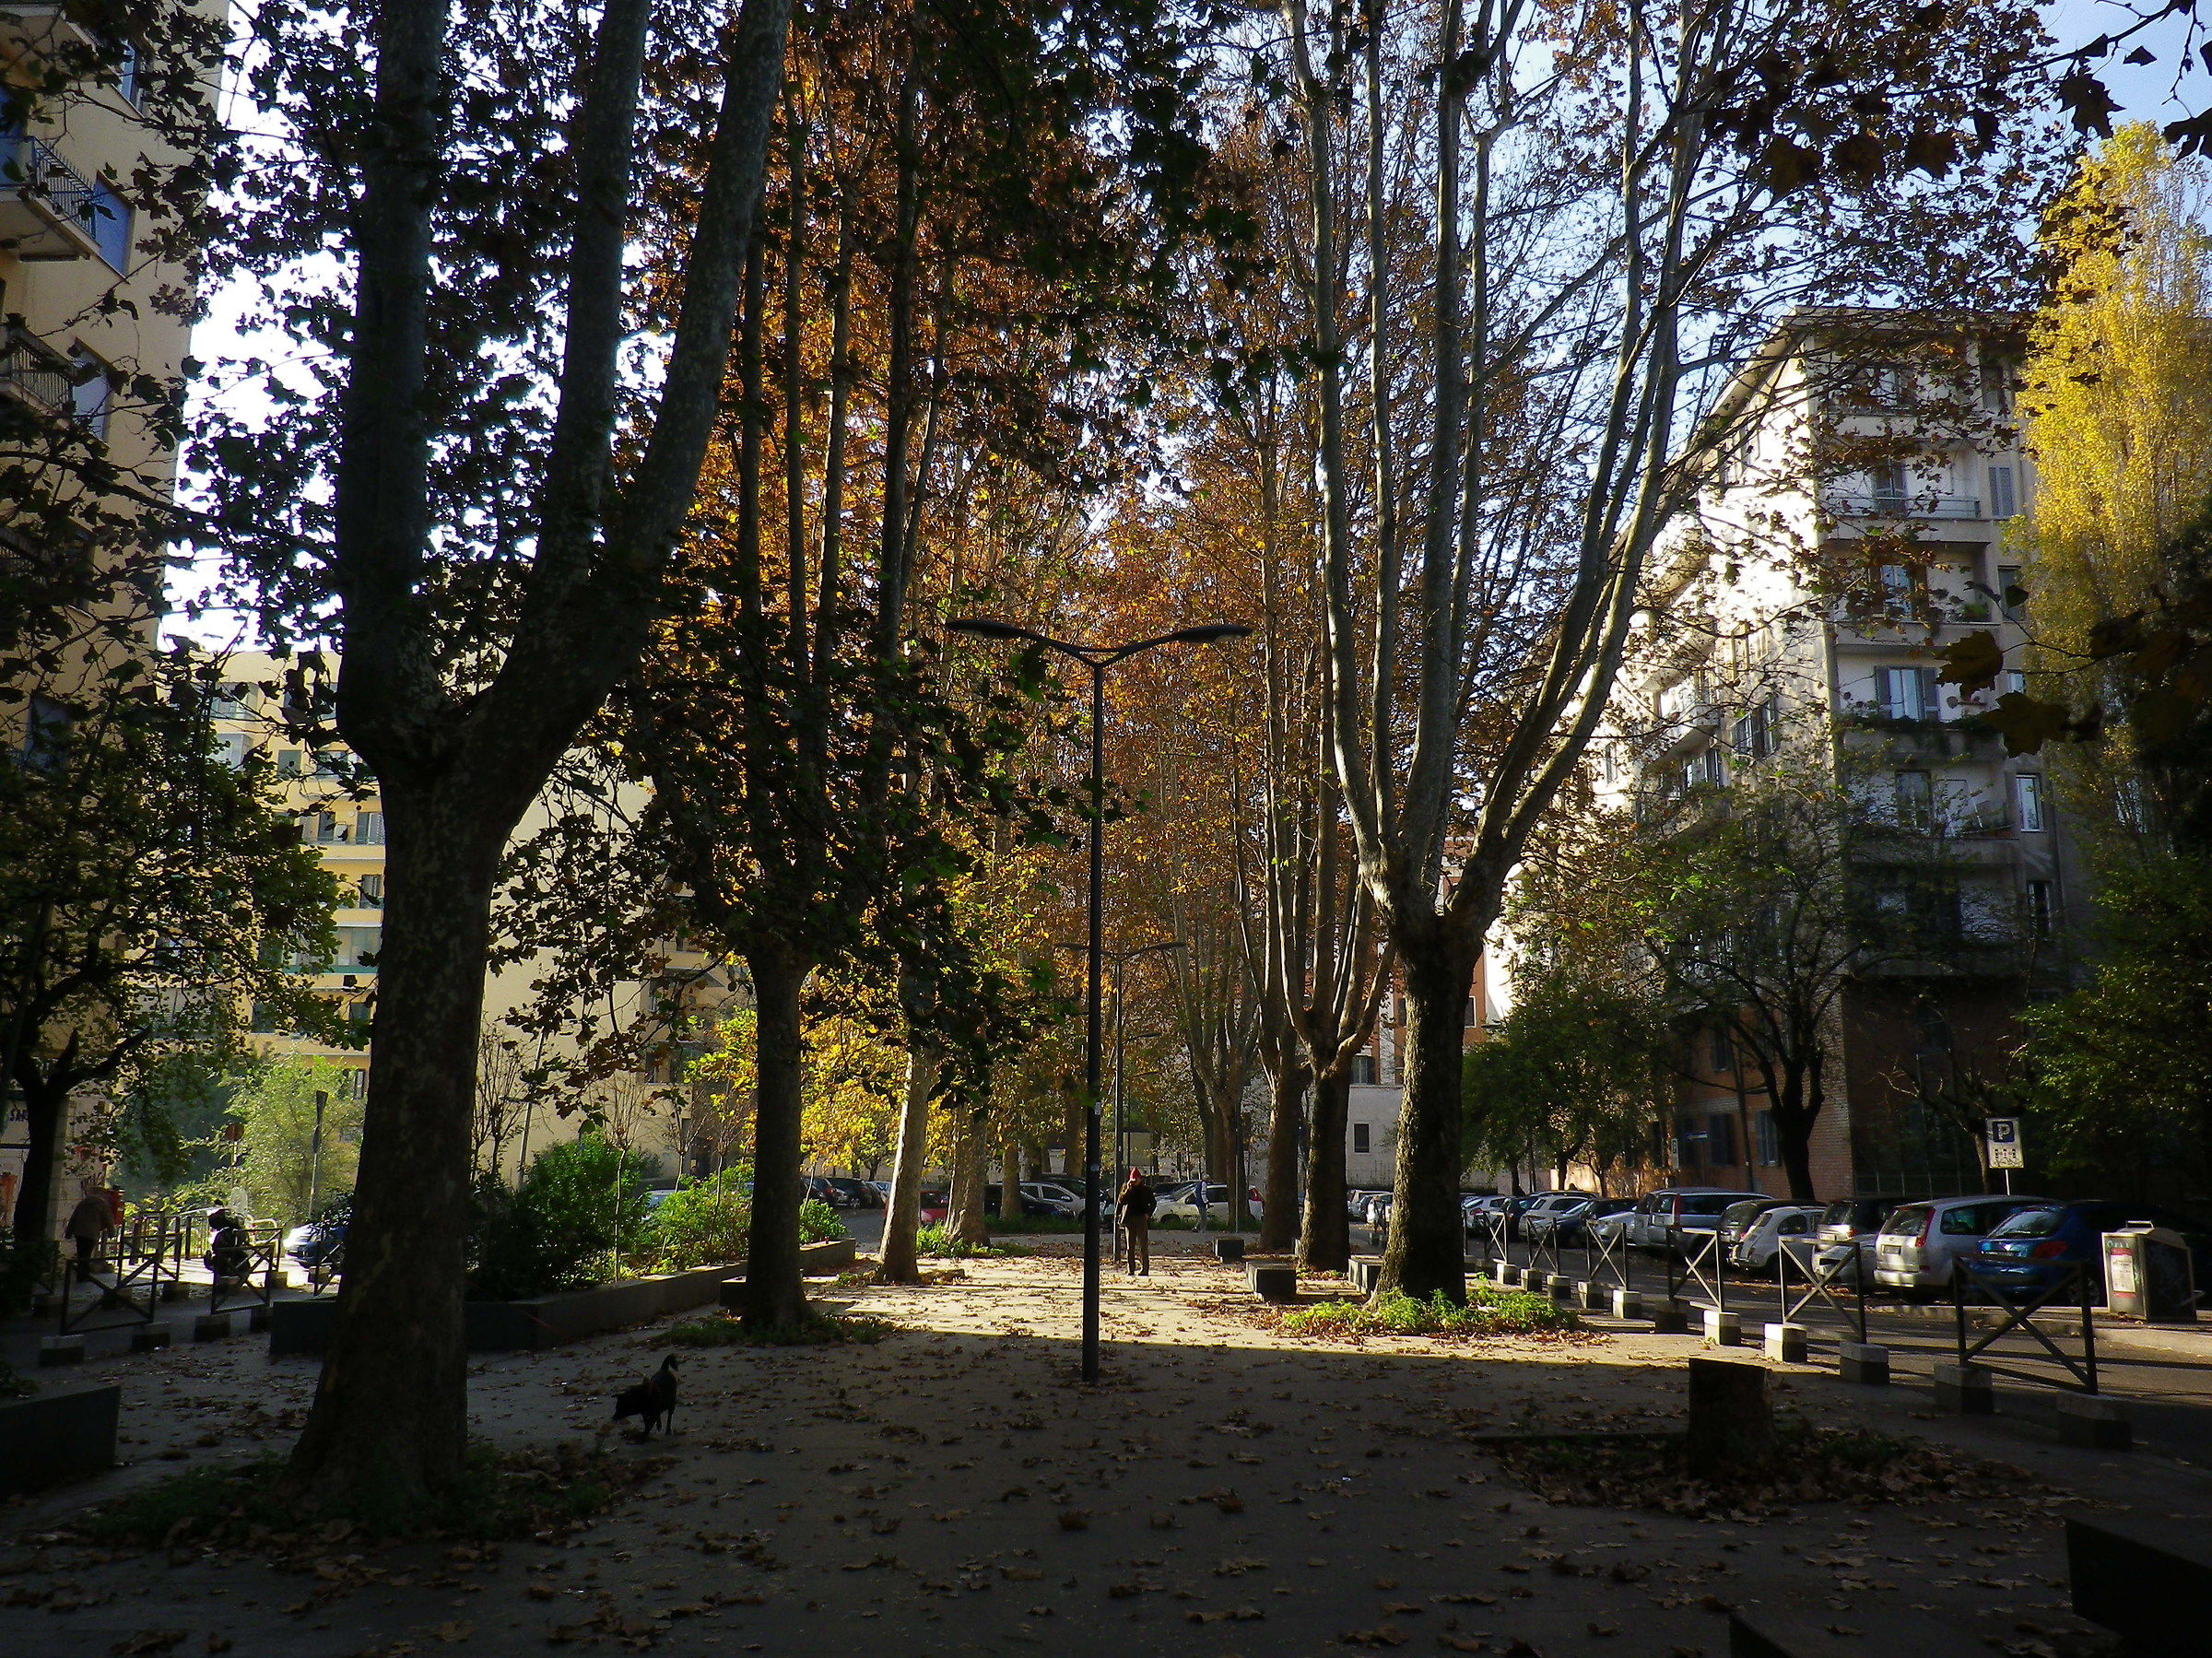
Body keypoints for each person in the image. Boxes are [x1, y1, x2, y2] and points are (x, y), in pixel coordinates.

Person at [65, 1179, 114, 1272]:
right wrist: (112, 1232)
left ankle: (81, 1273)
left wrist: (68, 1233)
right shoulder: (102, 1204)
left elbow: (74, 1217)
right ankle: (84, 1275)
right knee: (87, 1254)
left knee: (81, 1253)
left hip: (79, 1232)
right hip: (92, 1232)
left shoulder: (83, 1203)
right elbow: (109, 1219)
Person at [1115, 1169, 1155, 1276]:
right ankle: (1131, 1268)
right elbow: (1121, 1201)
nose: (1134, 1181)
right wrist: (1128, 1189)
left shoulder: (1146, 1190)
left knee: (1143, 1245)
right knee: (1130, 1246)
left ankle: (1145, 1269)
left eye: (1135, 1179)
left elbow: (1153, 1203)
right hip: (1129, 1219)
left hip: (1141, 1218)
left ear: (1140, 1179)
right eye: (1132, 1179)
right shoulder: (1126, 1188)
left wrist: (1148, 1214)